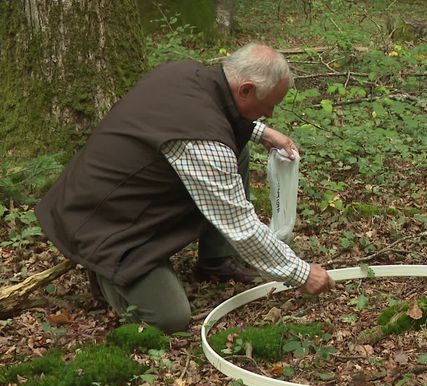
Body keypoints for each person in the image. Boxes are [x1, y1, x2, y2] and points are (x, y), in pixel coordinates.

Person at [35, 43, 335, 333]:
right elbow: (240, 224)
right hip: (104, 224)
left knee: (236, 143)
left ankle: (215, 260)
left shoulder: (186, 73)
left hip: (105, 196)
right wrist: (301, 273)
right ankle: (104, 271)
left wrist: (260, 131)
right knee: (169, 317)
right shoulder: (204, 140)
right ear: (245, 89)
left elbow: (212, 118)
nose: (269, 114)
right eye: (268, 106)